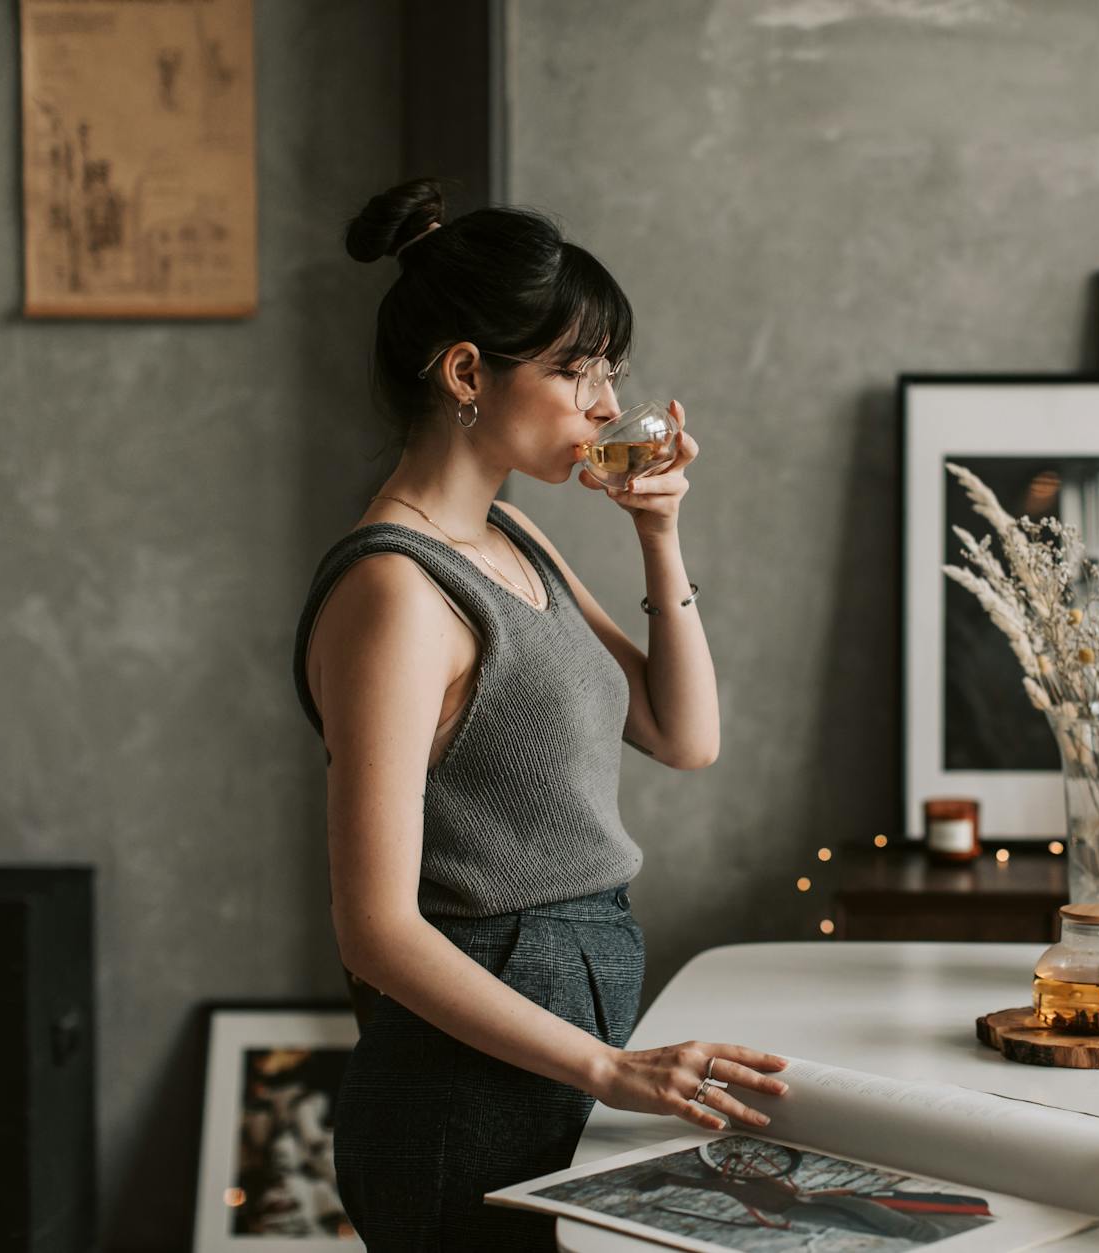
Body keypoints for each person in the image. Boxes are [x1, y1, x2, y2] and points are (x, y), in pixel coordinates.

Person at [290, 177, 788, 1251]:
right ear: (468, 372)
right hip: (465, 1071)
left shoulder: (517, 537)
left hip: (572, 1011)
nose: (608, 404)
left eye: (608, 370)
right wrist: (610, 1065)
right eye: (577, 369)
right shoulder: (395, 591)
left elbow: (681, 735)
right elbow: (374, 928)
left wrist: (659, 530)